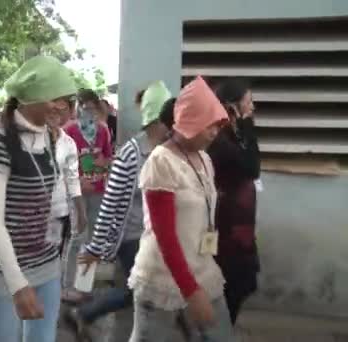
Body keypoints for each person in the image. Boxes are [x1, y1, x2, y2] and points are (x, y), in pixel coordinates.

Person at [0, 55, 77, 342]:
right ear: (32, 98)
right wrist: (17, 285)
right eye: (55, 99)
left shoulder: (51, 137)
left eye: (65, 99)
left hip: (47, 264)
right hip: (5, 273)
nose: (62, 107)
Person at [128, 76, 232, 341]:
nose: (214, 132)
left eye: (217, 125)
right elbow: (165, 236)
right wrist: (191, 291)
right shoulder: (160, 161)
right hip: (162, 277)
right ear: (190, 122)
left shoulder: (205, 159)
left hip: (202, 269)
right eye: (209, 125)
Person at [67, 81, 173, 339]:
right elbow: (112, 203)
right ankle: (84, 310)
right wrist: (96, 248)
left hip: (154, 235)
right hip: (132, 235)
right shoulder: (130, 155)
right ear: (158, 120)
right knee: (135, 289)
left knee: (141, 289)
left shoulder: (168, 151)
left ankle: (86, 313)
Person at [208, 79, 261, 325]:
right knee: (236, 284)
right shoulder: (219, 138)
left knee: (242, 284)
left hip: (239, 225)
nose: (253, 107)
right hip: (226, 228)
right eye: (248, 102)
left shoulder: (232, 133)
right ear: (232, 106)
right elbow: (252, 168)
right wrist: (248, 124)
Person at [62, 88, 113, 303]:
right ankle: (67, 286)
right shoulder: (69, 131)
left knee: (93, 240)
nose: (88, 112)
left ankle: (83, 286)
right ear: (78, 108)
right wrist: (78, 183)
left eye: (92, 108)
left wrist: (103, 166)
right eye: (84, 108)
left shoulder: (103, 131)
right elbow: (62, 164)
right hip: (77, 194)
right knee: (77, 236)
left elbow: (108, 158)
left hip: (98, 191)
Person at [46, 98, 87, 293]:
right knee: (34, 262)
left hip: (59, 211)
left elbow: (72, 178)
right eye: (52, 106)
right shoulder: (32, 139)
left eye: (61, 108)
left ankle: (50, 297)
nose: (55, 111)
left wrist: (81, 212)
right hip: (33, 213)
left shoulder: (68, 142)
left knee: (54, 258)